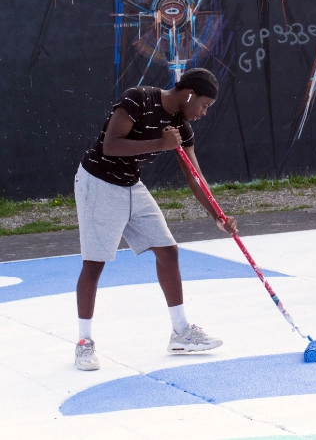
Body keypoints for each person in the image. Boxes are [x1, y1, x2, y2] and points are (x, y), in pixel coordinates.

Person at [73, 68, 238, 371]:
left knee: (167, 249)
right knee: (94, 264)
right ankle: (84, 343)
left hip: (131, 185)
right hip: (98, 182)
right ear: (189, 94)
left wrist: (218, 215)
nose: (203, 113)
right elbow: (111, 145)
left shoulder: (181, 126)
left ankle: (180, 333)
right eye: (204, 105)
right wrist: (160, 144)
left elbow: (193, 174)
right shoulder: (138, 99)